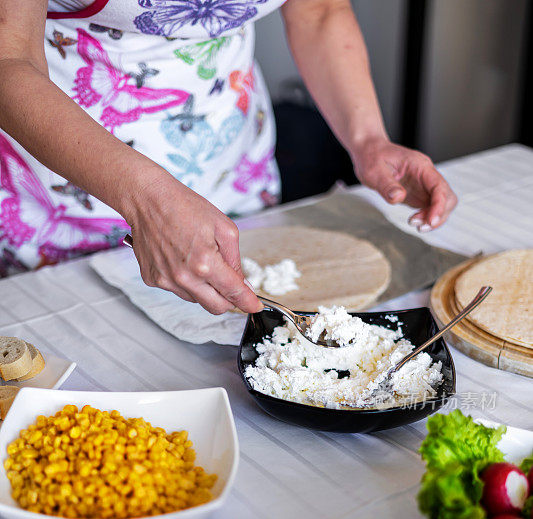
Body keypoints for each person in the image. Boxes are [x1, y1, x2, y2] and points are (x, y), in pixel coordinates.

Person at [0, 0, 457, 309]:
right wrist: (147, 200)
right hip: (61, 187)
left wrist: (368, 140)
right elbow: (8, 60)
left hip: (231, 157)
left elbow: (319, 10)